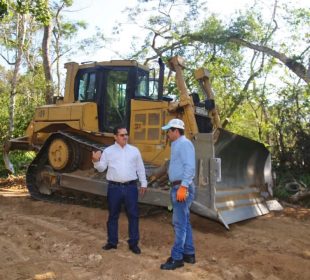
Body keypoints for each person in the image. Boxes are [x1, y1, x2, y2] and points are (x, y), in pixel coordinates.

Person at [92, 125, 147, 255]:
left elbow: (140, 168)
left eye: (126, 134)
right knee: (113, 216)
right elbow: (101, 168)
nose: (125, 137)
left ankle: (133, 243)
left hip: (131, 188)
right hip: (114, 188)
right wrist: (95, 161)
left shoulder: (134, 150)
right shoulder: (108, 151)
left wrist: (143, 183)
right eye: (122, 135)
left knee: (133, 216)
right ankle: (112, 242)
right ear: (115, 137)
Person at [160, 118, 196, 270]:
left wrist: (183, 186)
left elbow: (190, 166)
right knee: (184, 222)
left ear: (175, 130)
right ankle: (189, 254)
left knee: (179, 224)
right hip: (179, 186)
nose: (167, 133)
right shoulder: (177, 144)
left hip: (182, 187)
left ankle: (177, 258)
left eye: (169, 131)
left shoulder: (184, 144)